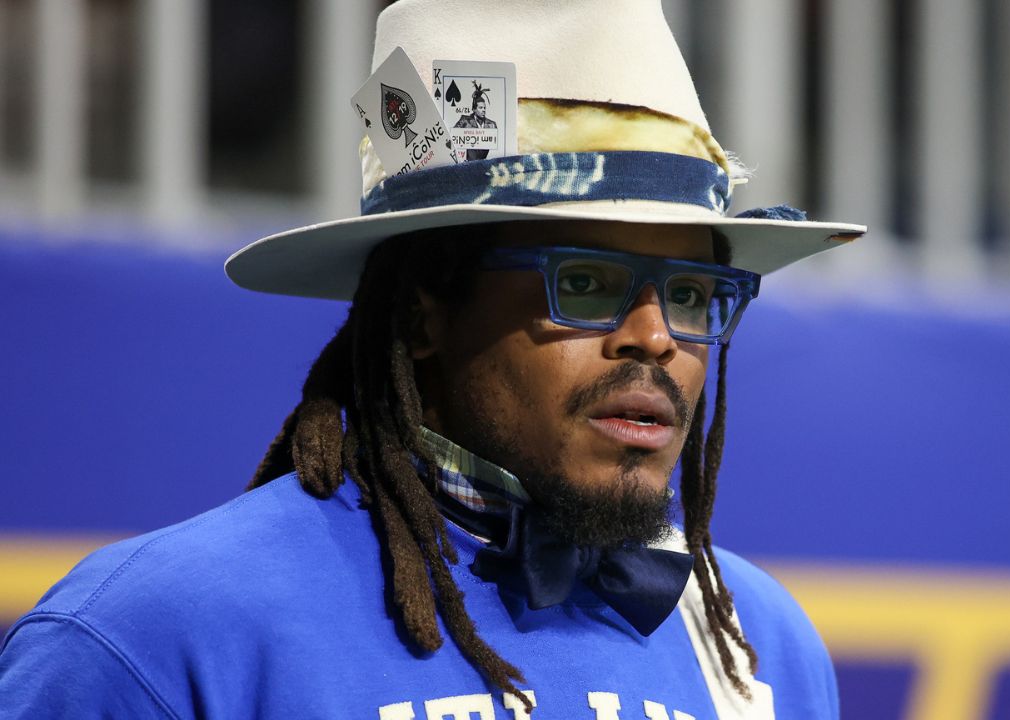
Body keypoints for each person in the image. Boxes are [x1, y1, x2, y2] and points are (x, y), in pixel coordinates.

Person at [0, 1, 864, 718]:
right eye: (589, 281)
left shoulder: (763, 643)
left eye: (689, 293)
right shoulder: (158, 635)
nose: (656, 337)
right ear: (422, 315)